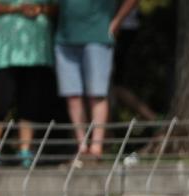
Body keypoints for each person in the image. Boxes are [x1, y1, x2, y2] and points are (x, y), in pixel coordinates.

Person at [54, 0, 139, 159]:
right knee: (72, 96)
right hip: (65, 39)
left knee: (97, 94)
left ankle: (96, 148)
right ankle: (82, 147)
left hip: (98, 37)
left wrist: (116, 22)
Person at [0, 0, 57, 168]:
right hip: (4, 52)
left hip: (36, 52)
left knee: (30, 102)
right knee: (0, 101)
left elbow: (55, 8)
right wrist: (17, 9)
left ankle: (25, 150)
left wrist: (40, 9)